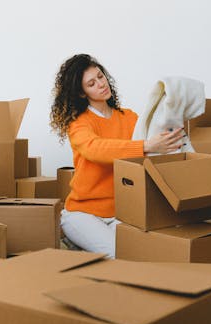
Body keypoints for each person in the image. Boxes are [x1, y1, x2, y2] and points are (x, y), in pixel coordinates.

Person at [50, 54, 184, 258]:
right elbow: (95, 149)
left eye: (100, 77)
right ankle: (77, 241)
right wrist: (146, 145)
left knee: (140, 252)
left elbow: (153, 140)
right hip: (82, 213)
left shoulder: (129, 118)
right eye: (91, 83)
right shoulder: (79, 123)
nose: (101, 84)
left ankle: (85, 249)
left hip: (122, 212)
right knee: (117, 254)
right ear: (81, 92)